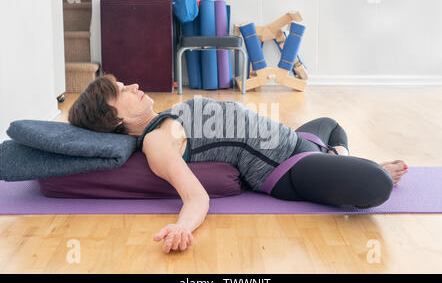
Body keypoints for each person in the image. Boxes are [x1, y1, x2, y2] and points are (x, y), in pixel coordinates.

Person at [68, 74, 408, 253]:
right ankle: (335, 160)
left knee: (331, 125)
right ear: (115, 119)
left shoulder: (163, 115)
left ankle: (334, 157)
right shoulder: (156, 141)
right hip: (286, 167)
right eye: (123, 90)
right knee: (377, 183)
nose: (135, 86)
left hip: (291, 139)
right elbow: (195, 196)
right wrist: (182, 228)